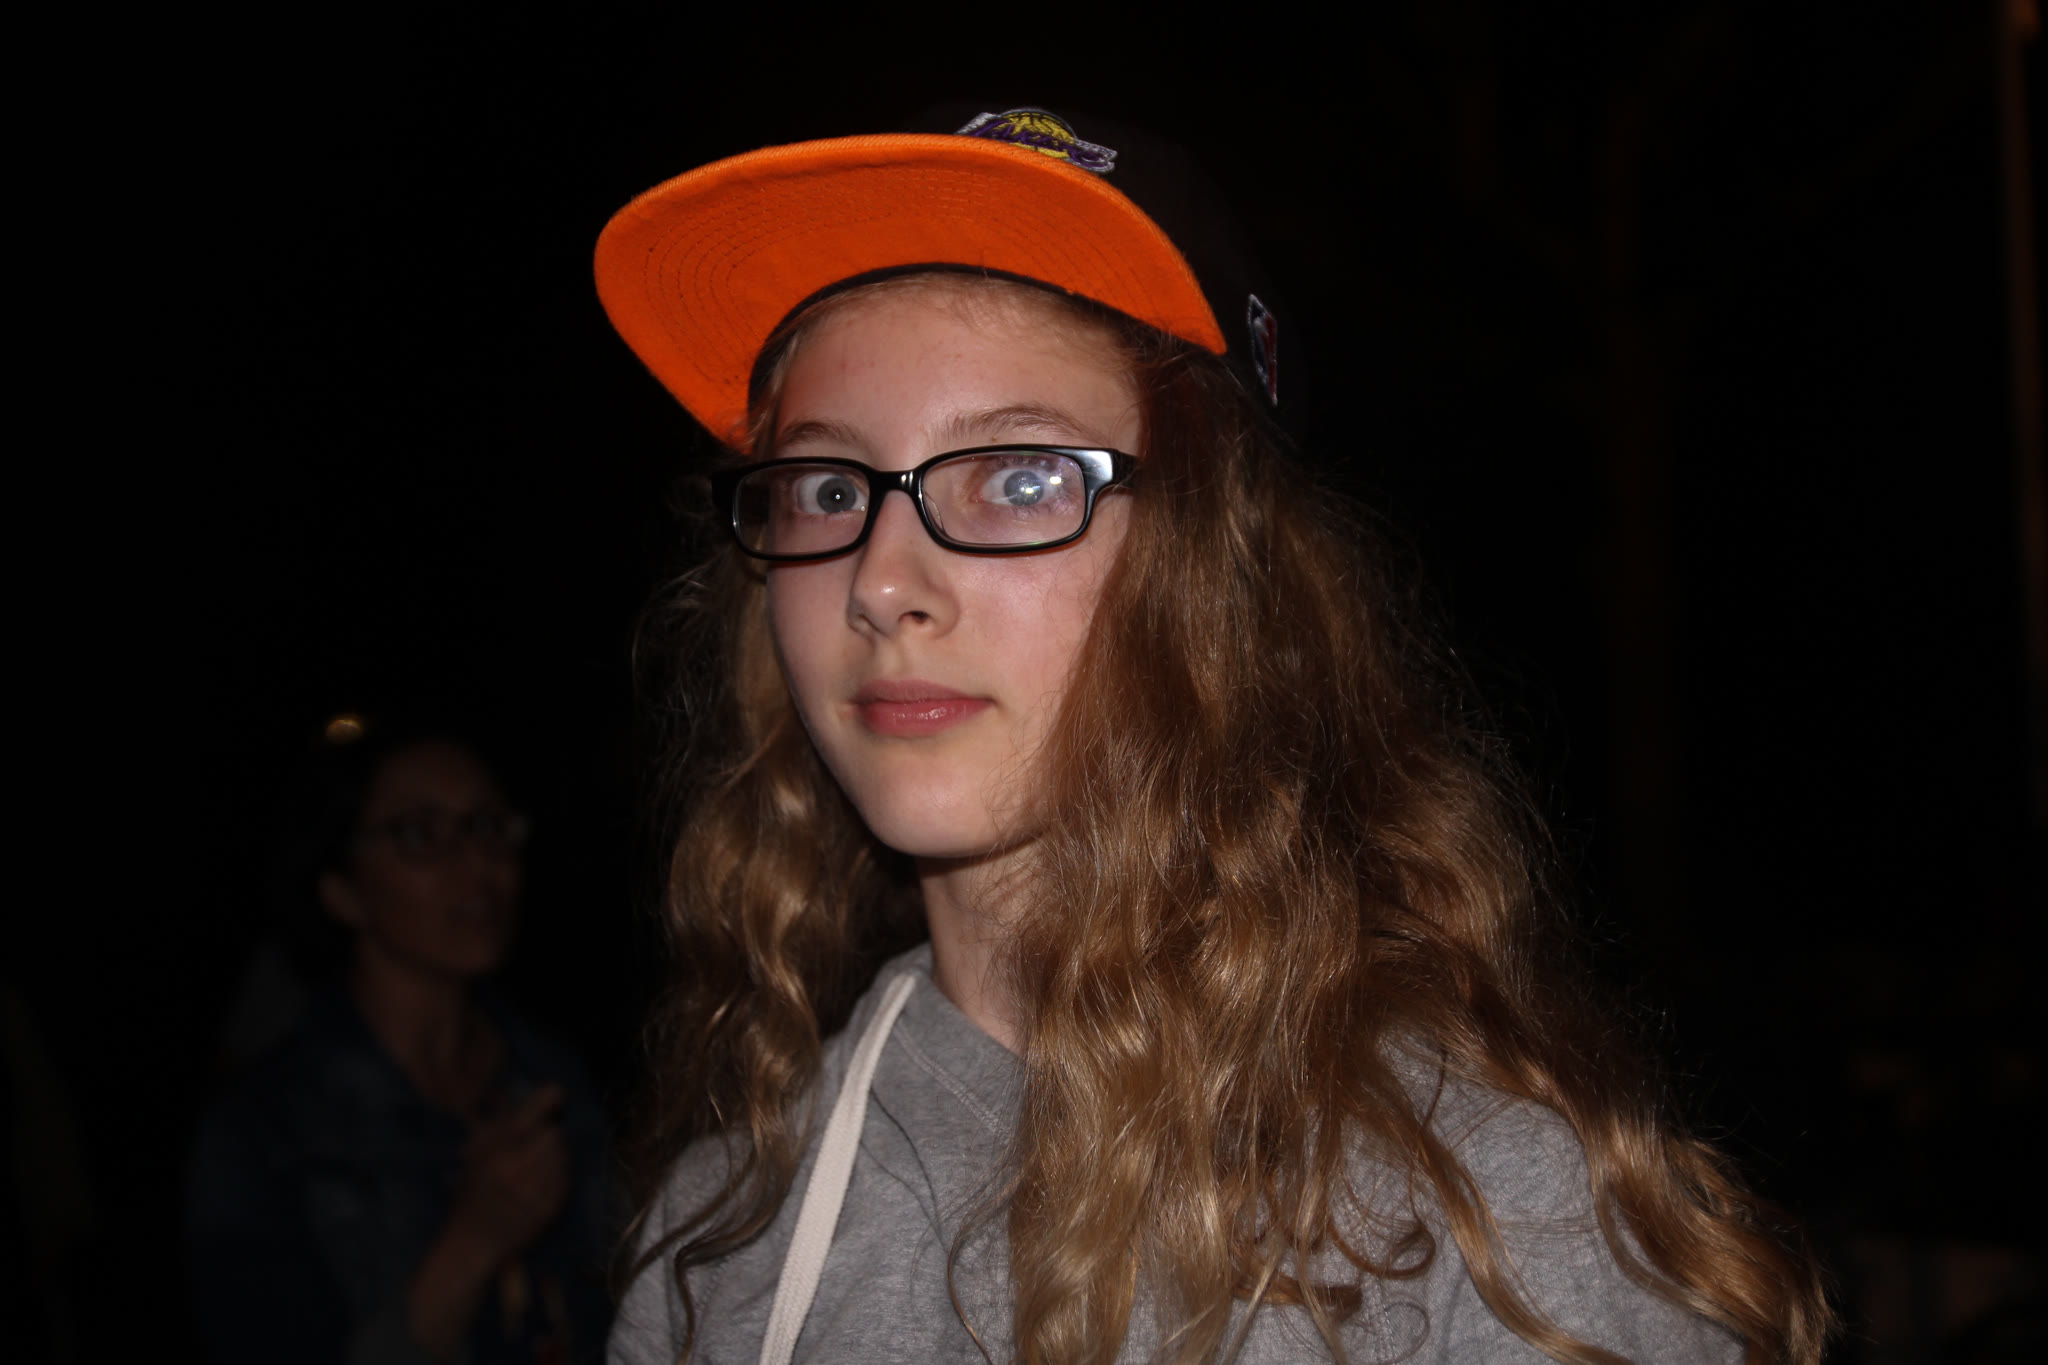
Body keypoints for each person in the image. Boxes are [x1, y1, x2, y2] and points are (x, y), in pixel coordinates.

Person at [597, 107, 1831, 1363]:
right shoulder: (717, 1248)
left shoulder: (1493, 1228)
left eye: (1018, 478)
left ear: (1216, 573)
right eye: (824, 489)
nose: (879, 580)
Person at [187, 723, 614, 1365]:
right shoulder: (267, 1130)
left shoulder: (551, 1080)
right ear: (341, 889)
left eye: (489, 827)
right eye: (420, 835)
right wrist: (472, 1244)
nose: (478, 864)